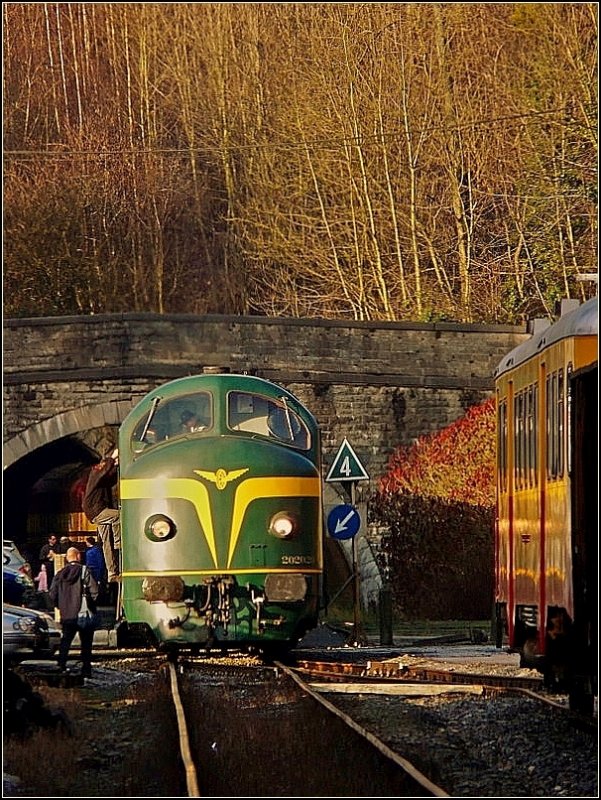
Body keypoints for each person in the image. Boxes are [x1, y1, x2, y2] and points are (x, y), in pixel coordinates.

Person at [48, 546, 99, 677]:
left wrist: (60, 606)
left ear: (67, 558)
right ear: (78, 557)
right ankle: (86, 670)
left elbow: (52, 594)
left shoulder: (60, 573)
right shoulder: (84, 571)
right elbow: (95, 592)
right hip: (84, 615)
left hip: (67, 615)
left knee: (65, 642)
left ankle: (61, 666)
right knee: (86, 645)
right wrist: (91, 605)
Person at [82, 449, 121, 582]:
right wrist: (113, 457)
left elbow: (110, 478)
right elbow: (103, 471)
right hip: (96, 510)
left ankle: (112, 572)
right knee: (119, 516)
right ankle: (119, 543)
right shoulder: (95, 473)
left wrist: (116, 466)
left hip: (96, 510)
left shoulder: (100, 481)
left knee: (106, 543)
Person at [84, 535, 107, 600]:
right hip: (93, 570)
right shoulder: (94, 550)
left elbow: (100, 562)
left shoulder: (95, 551)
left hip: (95, 570)